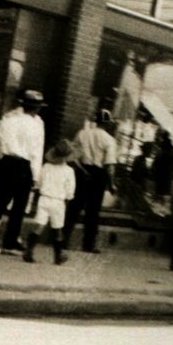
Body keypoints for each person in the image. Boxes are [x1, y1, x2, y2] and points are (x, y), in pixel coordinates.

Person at [0, 89, 46, 253]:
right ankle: (9, 242)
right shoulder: (38, 125)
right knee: (19, 205)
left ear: (22, 105)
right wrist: (35, 177)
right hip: (24, 166)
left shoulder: (8, 121)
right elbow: (36, 152)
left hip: (6, 163)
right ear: (36, 108)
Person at [66, 108, 117, 254]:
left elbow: (73, 155)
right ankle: (88, 244)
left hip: (82, 172)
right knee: (93, 211)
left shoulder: (82, 133)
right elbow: (110, 165)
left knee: (74, 207)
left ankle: (63, 239)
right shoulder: (109, 140)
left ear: (96, 121)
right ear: (107, 123)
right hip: (98, 175)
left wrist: (81, 170)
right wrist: (111, 183)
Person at [22, 140, 77, 265]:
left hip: (44, 198)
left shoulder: (46, 167)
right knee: (57, 229)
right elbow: (70, 191)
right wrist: (68, 196)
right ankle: (58, 255)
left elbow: (39, 183)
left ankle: (29, 250)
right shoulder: (69, 171)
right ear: (67, 156)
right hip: (58, 201)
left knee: (39, 225)